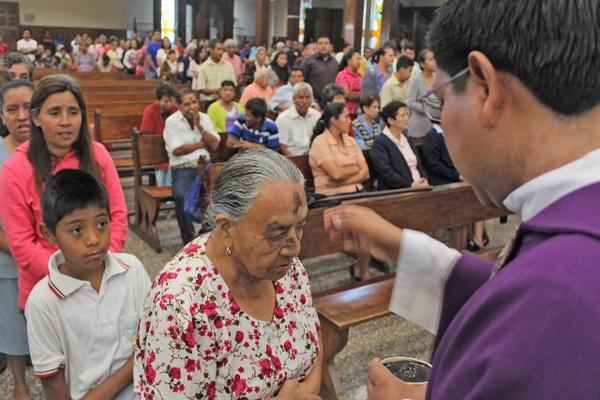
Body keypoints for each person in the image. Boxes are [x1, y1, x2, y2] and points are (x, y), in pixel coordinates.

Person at [324, 0, 600, 399]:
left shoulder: (558, 299)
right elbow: (510, 294)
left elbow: (537, 309)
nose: (442, 118)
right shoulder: (572, 244)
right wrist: (402, 247)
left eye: (440, 100)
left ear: (485, 86)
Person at [134, 149, 322, 398]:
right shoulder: (180, 306)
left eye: (299, 227)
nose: (295, 247)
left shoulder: (286, 268)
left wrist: (307, 391)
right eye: (276, 233)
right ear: (226, 227)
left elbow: (314, 342)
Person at [0, 75, 128, 311]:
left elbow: (118, 216)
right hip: (48, 290)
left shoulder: (97, 154)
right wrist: (73, 274)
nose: (66, 121)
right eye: (55, 112)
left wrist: (101, 261)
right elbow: (21, 244)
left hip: (100, 279)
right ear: (36, 117)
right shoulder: (16, 168)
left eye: (73, 112)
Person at [25, 169, 151, 400]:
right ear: (49, 234)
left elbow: (155, 341)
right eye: (77, 230)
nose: (93, 239)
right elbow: (53, 387)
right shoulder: (43, 301)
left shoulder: (132, 270)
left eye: (102, 224)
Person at [0, 80, 34, 400]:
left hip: (53, 257)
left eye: (28, 107)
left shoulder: (53, 147)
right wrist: (20, 249)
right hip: (8, 256)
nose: (21, 115)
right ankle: (20, 386)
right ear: (2, 114)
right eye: (12, 109)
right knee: (12, 325)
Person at [309, 102, 370, 279]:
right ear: (334, 120)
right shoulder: (320, 142)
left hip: (355, 193)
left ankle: (364, 272)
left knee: (367, 218)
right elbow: (335, 173)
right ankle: (363, 272)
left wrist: (346, 176)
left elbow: (365, 172)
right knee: (360, 222)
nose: (349, 121)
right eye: (345, 116)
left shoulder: (350, 141)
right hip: (331, 198)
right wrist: (354, 170)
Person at [164, 88, 220, 245]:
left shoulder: (204, 118)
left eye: (194, 102)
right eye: (186, 104)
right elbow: (178, 150)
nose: (191, 107)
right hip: (184, 167)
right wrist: (202, 144)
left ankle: (210, 235)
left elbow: (215, 144)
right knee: (181, 196)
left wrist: (200, 127)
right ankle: (188, 239)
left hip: (206, 165)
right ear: (179, 106)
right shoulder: (172, 121)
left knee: (218, 194)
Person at [370, 101, 428, 190]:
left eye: (407, 114)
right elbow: (387, 173)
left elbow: (419, 165)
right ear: (390, 120)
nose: (407, 118)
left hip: (419, 187)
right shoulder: (380, 143)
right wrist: (410, 185)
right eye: (403, 115)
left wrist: (424, 179)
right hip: (397, 191)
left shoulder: (408, 139)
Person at [140, 83, 178, 187]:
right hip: (156, 149)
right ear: (158, 100)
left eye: (171, 101)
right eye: (165, 101)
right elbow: (145, 135)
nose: (169, 104)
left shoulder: (175, 109)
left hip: (173, 149)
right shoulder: (150, 111)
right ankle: (163, 190)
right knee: (163, 173)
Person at [276, 82, 321, 156]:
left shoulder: (317, 116)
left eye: (307, 97)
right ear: (293, 99)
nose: (304, 101)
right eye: (301, 97)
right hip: (293, 158)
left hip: (314, 158)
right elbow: (283, 147)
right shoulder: (283, 118)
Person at [406, 49, 439, 138]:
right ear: (422, 64)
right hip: (419, 127)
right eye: (431, 59)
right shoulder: (416, 79)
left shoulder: (438, 78)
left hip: (436, 126)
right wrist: (427, 108)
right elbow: (409, 102)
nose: (434, 62)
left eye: (435, 59)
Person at [304, 37, 339, 103]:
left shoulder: (335, 62)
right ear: (317, 46)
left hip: (332, 101)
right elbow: (303, 80)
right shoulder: (309, 61)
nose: (323, 45)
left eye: (326, 43)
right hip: (315, 101)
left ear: (330, 46)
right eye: (320, 43)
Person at [335, 49, 362, 118]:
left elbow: (365, 94)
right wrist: (360, 94)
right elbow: (346, 95)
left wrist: (352, 93)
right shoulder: (342, 75)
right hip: (345, 113)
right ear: (349, 60)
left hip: (358, 113)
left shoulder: (360, 76)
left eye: (360, 59)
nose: (359, 61)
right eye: (357, 59)